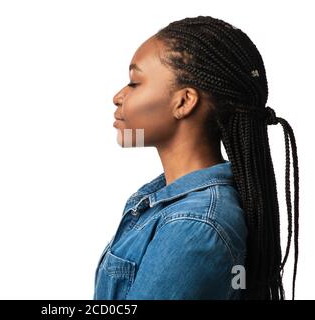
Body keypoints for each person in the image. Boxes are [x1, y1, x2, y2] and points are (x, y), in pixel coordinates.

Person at [93, 15, 299, 300]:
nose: (118, 96)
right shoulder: (169, 201)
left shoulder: (193, 225)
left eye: (134, 83)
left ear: (184, 101)